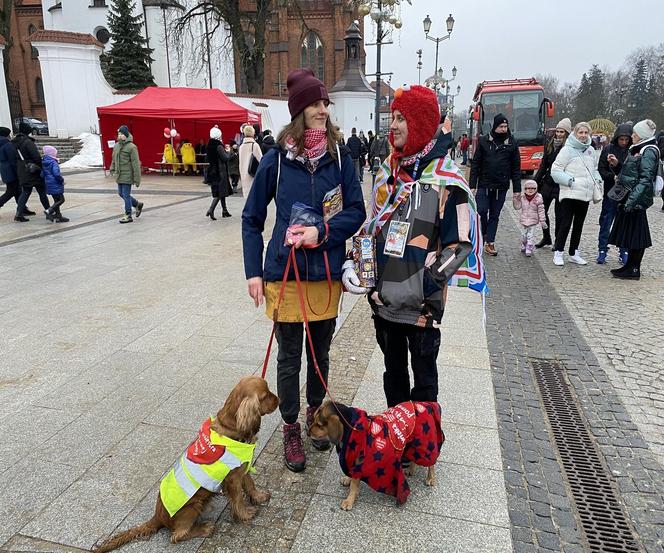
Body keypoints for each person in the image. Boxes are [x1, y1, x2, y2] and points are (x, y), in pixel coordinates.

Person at [242, 68, 366, 473]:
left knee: (321, 354)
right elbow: (251, 218)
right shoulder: (277, 161)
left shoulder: (339, 158)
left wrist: (322, 232)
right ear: (299, 110)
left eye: (325, 102)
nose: (322, 109)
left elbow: (356, 212)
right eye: (314, 103)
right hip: (286, 273)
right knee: (290, 355)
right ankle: (291, 426)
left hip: (325, 274)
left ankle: (317, 415)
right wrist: (253, 271)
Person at [342, 84, 477, 414]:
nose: (394, 125)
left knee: (425, 380)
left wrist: (423, 285)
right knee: (394, 375)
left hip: (421, 309)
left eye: (402, 118)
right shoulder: (386, 171)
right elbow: (373, 226)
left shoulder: (446, 179)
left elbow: (459, 245)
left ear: (420, 123)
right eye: (394, 117)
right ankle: (399, 435)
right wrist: (360, 269)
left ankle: (424, 443)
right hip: (384, 301)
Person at [609, 119, 659, 280]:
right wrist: (617, 166)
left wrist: (631, 201)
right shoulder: (638, 148)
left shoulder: (648, 150)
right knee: (631, 234)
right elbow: (631, 172)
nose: (632, 136)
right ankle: (629, 266)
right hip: (630, 195)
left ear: (642, 135)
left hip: (636, 198)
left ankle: (634, 268)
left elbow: (645, 179)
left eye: (635, 133)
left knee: (637, 235)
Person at [469, 113, 521, 256]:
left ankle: (490, 242)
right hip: (484, 184)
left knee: (495, 214)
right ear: (495, 127)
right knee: (481, 211)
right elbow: (475, 164)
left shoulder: (512, 142)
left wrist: (517, 190)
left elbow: (516, 168)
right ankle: (484, 233)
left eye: (506, 126)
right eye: (501, 126)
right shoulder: (484, 141)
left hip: (501, 186)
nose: (504, 129)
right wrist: (472, 184)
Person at [550, 122, 601, 266]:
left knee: (579, 224)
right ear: (575, 133)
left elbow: (594, 168)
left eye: (586, 133)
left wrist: (597, 178)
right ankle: (558, 252)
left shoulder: (591, 150)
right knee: (565, 223)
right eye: (581, 132)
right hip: (570, 193)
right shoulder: (567, 150)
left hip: (585, 194)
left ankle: (574, 252)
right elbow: (556, 170)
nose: (583, 135)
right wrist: (570, 181)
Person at [596, 123, 632, 264]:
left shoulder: (632, 151)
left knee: (624, 223)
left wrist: (618, 166)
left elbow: (632, 171)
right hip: (611, 191)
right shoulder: (608, 149)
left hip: (627, 192)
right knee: (606, 221)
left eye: (626, 140)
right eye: (621, 139)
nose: (623, 142)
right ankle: (602, 249)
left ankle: (624, 250)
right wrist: (612, 177)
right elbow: (601, 169)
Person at [533, 118, 571, 249]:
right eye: (558, 131)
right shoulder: (550, 144)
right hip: (548, 183)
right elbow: (544, 165)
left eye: (562, 132)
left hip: (561, 185)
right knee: (542, 211)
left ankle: (557, 241)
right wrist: (535, 181)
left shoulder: (569, 147)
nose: (559, 134)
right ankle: (546, 237)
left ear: (567, 133)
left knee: (560, 215)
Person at [13, 122, 51, 222]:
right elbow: (36, 157)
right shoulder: (28, 142)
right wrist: (41, 167)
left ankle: (19, 213)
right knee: (42, 192)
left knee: (25, 192)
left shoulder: (14, 142)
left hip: (22, 169)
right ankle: (49, 211)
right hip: (32, 170)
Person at [110, 125, 143, 224]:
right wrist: (112, 168)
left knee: (126, 194)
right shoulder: (116, 146)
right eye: (119, 134)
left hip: (127, 175)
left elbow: (135, 163)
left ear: (126, 135)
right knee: (121, 193)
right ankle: (137, 204)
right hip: (119, 174)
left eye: (122, 134)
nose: (120, 136)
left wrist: (137, 178)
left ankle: (128, 215)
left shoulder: (132, 147)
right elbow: (114, 159)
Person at [0, 126, 35, 217]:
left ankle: (22, 209)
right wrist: (19, 171)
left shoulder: (2, 143)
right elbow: (13, 159)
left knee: (18, 190)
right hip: (11, 171)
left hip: (5, 170)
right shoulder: (6, 144)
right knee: (11, 191)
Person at [205, 126, 233, 219]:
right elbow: (225, 158)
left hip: (212, 170)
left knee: (221, 192)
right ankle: (211, 210)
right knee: (219, 192)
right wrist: (229, 152)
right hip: (220, 172)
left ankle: (224, 210)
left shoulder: (209, 145)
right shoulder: (219, 146)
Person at [514, 179, 546, 256]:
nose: (530, 190)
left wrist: (542, 221)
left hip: (533, 220)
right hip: (524, 220)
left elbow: (541, 210)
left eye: (533, 188)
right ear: (525, 189)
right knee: (524, 235)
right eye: (528, 188)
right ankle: (524, 244)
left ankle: (529, 247)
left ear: (536, 189)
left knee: (530, 235)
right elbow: (517, 207)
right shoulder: (522, 197)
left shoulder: (538, 198)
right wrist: (516, 199)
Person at [42, 146, 68, 223]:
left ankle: (58, 216)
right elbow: (56, 174)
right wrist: (61, 180)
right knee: (61, 200)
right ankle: (49, 210)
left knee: (56, 200)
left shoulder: (44, 162)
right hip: (55, 183)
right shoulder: (53, 162)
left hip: (48, 183)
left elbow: (41, 174)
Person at [238, 124, 262, 195]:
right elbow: (261, 160)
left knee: (247, 197)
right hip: (253, 174)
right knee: (255, 196)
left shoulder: (241, 146)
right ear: (253, 133)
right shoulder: (254, 145)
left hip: (243, 173)